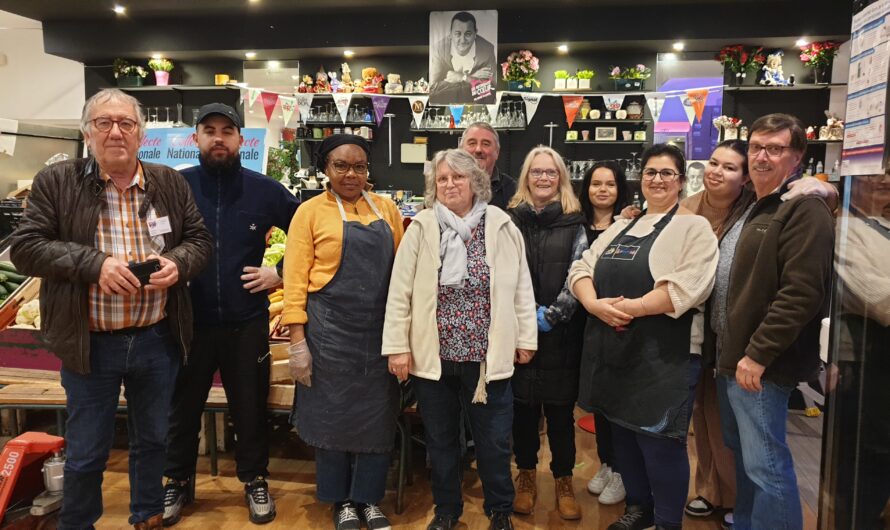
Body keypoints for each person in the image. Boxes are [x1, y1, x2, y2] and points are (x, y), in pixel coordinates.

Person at [9, 88, 212, 530]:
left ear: (141, 134)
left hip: (156, 339)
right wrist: (94, 264)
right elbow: (25, 248)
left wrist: (177, 264)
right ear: (87, 132)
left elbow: (199, 241)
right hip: (90, 343)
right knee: (86, 451)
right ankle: (78, 523)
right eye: (104, 122)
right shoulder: (57, 182)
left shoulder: (169, 183)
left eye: (126, 123)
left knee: (153, 439)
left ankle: (146, 517)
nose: (116, 131)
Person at [382, 148, 536, 530]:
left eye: (459, 177)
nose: (450, 184)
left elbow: (520, 287)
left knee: (495, 444)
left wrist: (527, 336)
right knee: (441, 443)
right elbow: (400, 292)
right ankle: (447, 511)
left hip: (487, 360)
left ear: (476, 182)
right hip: (434, 361)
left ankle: (499, 511)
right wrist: (398, 346)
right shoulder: (421, 226)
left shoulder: (501, 224)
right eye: (443, 179)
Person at [568, 143, 719, 530]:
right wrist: (593, 305)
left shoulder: (694, 228)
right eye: (650, 172)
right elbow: (581, 268)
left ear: (682, 181)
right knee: (623, 437)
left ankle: (668, 522)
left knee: (659, 442)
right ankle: (640, 508)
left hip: (667, 354)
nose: (657, 179)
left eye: (667, 173)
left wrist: (625, 309)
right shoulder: (624, 225)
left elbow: (688, 288)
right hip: (617, 349)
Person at [162, 104, 300, 526]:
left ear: (241, 140)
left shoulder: (266, 190)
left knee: (249, 406)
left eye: (227, 131)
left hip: (247, 321)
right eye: (209, 131)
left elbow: (313, 235)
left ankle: (255, 479)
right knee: (182, 407)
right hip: (188, 323)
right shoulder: (175, 188)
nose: (218, 138)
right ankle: (177, 481)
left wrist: (280, 274)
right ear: (196, 139)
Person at [716, 113, 834, 530]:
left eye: (775, 148)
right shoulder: (754, 205)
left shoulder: (804, 209)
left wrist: (758, 353)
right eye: (755, 147)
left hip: (759, 365)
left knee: (767, 465)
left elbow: (802, 293)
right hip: (734, 358)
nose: (762, 157)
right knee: (749, 461)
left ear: (797, 156)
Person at [281, 134, 404, 530]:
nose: (351, 174)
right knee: (331, 417)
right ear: (326, 169)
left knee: (377, 418)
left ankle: (368, 499)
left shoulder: (386, 209)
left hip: (378, 333)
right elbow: (295, 281)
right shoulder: (309, 212)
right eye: (341, 166)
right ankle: (340, 502)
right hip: (328, 332)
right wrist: (297, 341)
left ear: (368, 171)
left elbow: (402, 274)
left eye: (359, 167)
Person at [506, 147, 587, 520]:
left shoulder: (574, 222)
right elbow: (500, 273)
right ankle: (525, 476)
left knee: (559, 414)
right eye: (536, 172)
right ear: (526, 177)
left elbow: (580, 273)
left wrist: (553, 316)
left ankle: (563, 480)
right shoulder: (508, 219)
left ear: (561, 178)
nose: (543, 178)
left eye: (550, 173)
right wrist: (522, 320)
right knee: (522, 412)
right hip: (518, 334)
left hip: (560, 333)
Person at [577, 160, 629, 506]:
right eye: (596, 184)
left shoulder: (630, 225)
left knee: (617, 401)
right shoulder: (577, 223)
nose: (603, 190)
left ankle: (622, 470)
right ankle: (607, 462)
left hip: (615, 318)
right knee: (596, 400)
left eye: (610, 184)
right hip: (582, 320)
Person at [429, 11, 496, 105]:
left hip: (476, 107)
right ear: (450, 34)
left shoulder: (487, 50)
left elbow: (491, 89)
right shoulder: (439, 49)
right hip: (447, 105)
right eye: (457, 34)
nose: (462, 40)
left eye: (468, 34)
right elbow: (432, 90)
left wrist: (462, 77)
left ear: (475, 33)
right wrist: (474, 78)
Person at [460, 122, 517, 210]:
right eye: (472, 143)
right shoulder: (446, 186)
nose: (478, 149)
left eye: (485, 144)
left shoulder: (512, 190)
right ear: (460, 150)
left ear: (497, 152)